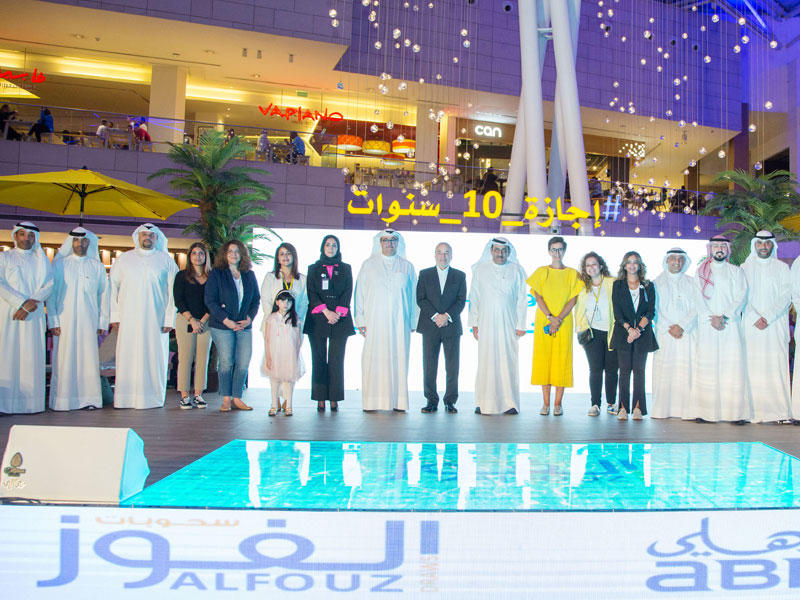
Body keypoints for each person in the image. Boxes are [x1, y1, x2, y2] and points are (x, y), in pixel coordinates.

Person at [110, 224, 179, 409]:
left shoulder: (166, 261)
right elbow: (112, 288)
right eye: (144, 234)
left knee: (154, 356)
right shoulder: (124, 259)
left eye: (151, 235)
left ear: (157, 238)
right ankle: (125, 398)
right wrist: (115, 316)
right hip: (128, 318)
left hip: (156, 319)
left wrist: (169, 319)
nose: (147, 238)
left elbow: (174, 292)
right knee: (128, 355)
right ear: (137, 237)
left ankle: (152, 398)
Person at [354, 229, 417, 412]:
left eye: (393, 240)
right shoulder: (368, 265)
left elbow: (414, 297)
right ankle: (372, 402)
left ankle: (398, 402)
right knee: (374, 359)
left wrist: (413, 321)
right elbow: (360, 293)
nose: (389, 244)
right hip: (375, 322)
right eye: (386, 240)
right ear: (379, 243)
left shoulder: (407, 267)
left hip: (400, 323)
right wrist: (361, 320)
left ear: (398, 243)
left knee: (399, 359)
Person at [46, 227, 109, 411]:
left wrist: (102, 321)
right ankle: (63, 401)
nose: (80, 244)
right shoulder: (59, 265)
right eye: (76, 240)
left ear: (89, 243)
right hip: (64, 321)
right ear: (71, 242)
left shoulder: (97, 266)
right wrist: (53, 321)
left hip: (89, 321)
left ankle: (89, 399)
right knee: (64, 359)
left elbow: (103, 295)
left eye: (84, 240)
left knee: (88, 359)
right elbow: (51, 294)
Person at [691, 235, 751, 423]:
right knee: (707, 367)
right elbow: (697, 298)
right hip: (708, 325)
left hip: (729, 325)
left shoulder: (736, 271)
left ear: (727, 249)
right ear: (710, 249)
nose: (719, 249)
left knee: (731, 368)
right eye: (716, 246)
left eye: (723, 246)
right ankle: (706, 412)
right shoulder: (700, 272)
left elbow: (741, 296)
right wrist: (711, 318)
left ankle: (735, 414)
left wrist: (724, 316)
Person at [468, 237, 528, 415]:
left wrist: (521, 324)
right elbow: (475, 297)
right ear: (491, 251)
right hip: (485, 323)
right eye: (496, 250)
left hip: (509, 323)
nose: (500, 253)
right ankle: (483, 402)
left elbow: (522, 299)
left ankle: (510, 403)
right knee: (486, 360)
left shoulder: (517, 270)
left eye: (503, 250)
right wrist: (475, 323)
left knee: (507, 360)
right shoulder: (481, 270)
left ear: (508, 252)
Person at [0, 222, 53, 414]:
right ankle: (4, 404)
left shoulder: (42, 260)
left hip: (34, 313)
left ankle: (31, 405)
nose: (26, 238)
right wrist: (20, 303)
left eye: (31, 235)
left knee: (31, 356)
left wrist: (32, 302)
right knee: (7, 355)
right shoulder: (4, 257)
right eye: (22, 234)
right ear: (15, 236)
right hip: (9, 313)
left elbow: (49, 284)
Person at [527, 236, 582, 416]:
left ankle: (558, 404)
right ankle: (545, 403)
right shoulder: (541, 272)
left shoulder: (572, 274)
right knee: (545, 360)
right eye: (554, 249)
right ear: (549, 251)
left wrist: (559, 319)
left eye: (560, 249)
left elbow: (573, 299)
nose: (557, 253)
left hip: (564, 322)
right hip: (545, 320)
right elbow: (538, 297)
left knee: (561, 361)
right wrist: (551, 317)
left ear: (564, 251)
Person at [742, 231, 792, 423]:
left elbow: (786, 296)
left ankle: (779, 412)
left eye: (767, 243)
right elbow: (740, 295)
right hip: (751, 325)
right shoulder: (744, 268)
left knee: (775, 366)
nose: (763, 247)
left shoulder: (782, 268)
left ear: (773, 245)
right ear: (754, 245)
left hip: (775, 326)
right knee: (751, 366)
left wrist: (768, 317)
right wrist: (755, 317)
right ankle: (751, 412)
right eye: (760, 243)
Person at [205, 240, 260, 412]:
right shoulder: (217, 274)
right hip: (222, 326)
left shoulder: (249, 274)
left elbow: (256, 300)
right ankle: (226, 399)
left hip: (244, 325)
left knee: (243, 362)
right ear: (225, 254)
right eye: (230, 251)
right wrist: (226, 320)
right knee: (226, 362)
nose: (233, 254)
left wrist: (250, 319)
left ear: (242, 254)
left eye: (237, 251)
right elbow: (210, 301)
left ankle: (237, 398)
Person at [304, 234, 354, 412]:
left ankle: (334, 398)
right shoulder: (313, 269)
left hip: (340, 320)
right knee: (318, 359)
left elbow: (348, 291)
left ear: (338, 248)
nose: (331, 248)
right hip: (318, 319)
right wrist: (326, 312)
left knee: (336, 360)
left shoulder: (346, 268)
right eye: (327, 245)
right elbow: (311, 292)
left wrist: (337, 313)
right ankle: (320, 398)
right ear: (322, 247)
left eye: (334, 245)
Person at [416, 242, 467, 413]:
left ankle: (450, 401)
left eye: (446, 253)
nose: (443, 256)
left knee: (452, 366)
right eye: (439, 252)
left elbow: (461, 301)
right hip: (430, 326)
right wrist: (435, 316)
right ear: (434, 255)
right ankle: (431, 401)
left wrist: (446, 316)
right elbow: (421, 299)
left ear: (451, 256)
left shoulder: (460, 276)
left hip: (451, 326)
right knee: (429, 365)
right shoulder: (425, 274)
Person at [610, 251, 658, 420]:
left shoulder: (648, 285)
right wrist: (630, 329)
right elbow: (617, 313)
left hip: (642, 334)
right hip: (623, 333)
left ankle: (638, 408)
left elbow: (650, 312)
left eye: (635, 262)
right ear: (624, 265)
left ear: (640, 265)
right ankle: (622, 408)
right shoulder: (618, 285)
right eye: (629, 262)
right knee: (624, 371)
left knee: (639, 371)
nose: (632, 265)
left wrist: (638, 330)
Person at [651, 248, 697, 419]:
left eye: (680, 259)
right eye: (673, 258)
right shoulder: (656, 283)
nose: (677, 262)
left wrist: (682, 326)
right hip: (665, 334)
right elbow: (653, 309)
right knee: (664, 370)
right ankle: (662, 410)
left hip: (687, 333)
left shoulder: (692, 282)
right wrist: (670, 327)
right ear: (667, 261)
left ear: (685, 261)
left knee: (687, 370)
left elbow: (697, 307)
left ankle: (687, 410)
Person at [574, 252, 617, 416]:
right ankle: (595, 404)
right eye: (588, 265)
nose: (591, 267)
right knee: (595, 369)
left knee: (612, 370)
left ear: (601, 266)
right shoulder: (582, 287)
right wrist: (580, 332)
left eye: (594, 264)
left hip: (612, 332)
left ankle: (611, 403)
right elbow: (579, 311)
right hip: (591, 333)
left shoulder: (613, 282)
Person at [173, 242, 212, 410]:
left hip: (206, 321)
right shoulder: (181, 276)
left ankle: (198, 394)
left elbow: (214, 300)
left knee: (203, 358)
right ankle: (184, 396)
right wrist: (192, 320)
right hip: (185, 319)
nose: (198, 256)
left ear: (206, 256)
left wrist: (202, 321)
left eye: (201, 253)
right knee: (185, 358)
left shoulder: (212, 277)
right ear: (190, 257)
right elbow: (178, 300)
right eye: (194, 253)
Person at [263, 290, 305, 416]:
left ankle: (289, 405)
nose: (286, 303)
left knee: (288, 380)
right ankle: (274, 405)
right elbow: (267, 339)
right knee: (274, 380)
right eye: (282, 300)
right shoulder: (271, 318)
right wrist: (268, 356)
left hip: (289, 353)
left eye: (289, 301)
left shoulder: (295, 319)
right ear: (277, 302)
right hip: (274, 353)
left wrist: (296, 355)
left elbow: (298, 339)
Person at [260, 242, 308, 333]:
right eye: (282, 254)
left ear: (294, 257)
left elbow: (304, 302)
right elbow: (265, 299)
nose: (285, 256)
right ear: (278, 259)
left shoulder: (303, 279)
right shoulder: (270, 277)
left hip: (294, 323)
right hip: (273, 324)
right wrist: (276, 317)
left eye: (288, 253)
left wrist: (296, 318)